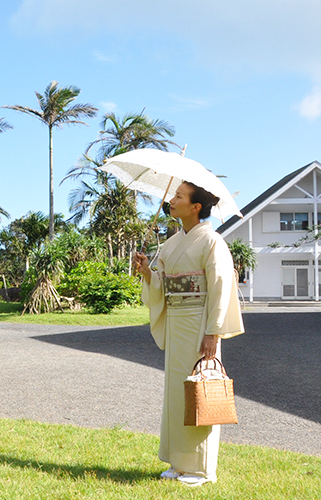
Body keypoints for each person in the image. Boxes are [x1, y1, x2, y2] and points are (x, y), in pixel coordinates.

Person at [132, 180, 244, 487]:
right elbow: (163, 286)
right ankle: (179, 463)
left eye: (179, 196)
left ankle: (202, 469)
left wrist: (214, 333)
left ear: (196, 207)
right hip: (177, 321)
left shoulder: (212, 242)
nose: (172, 200)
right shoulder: (170, 244)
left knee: (199, 390)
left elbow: (221, 288)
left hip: (200, 323)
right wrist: (146, 272)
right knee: (177, 393)